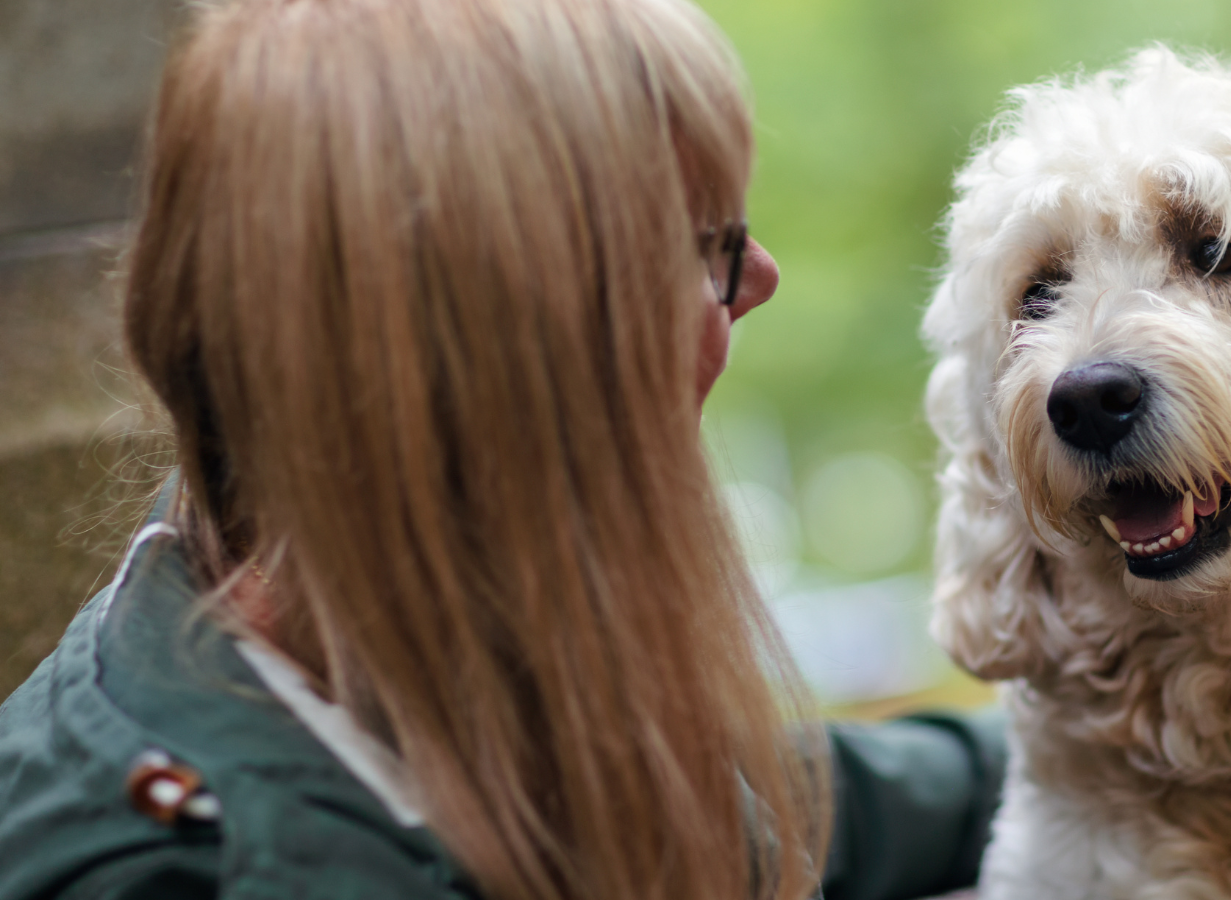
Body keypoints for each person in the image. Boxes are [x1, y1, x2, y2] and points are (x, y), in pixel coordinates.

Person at [0, 1, 1003, 898]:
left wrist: (1094, 748)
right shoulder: (181, 870)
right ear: (522, 359)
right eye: (708, 246)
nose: (761, 280)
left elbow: (752, 815)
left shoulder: (407, 637)